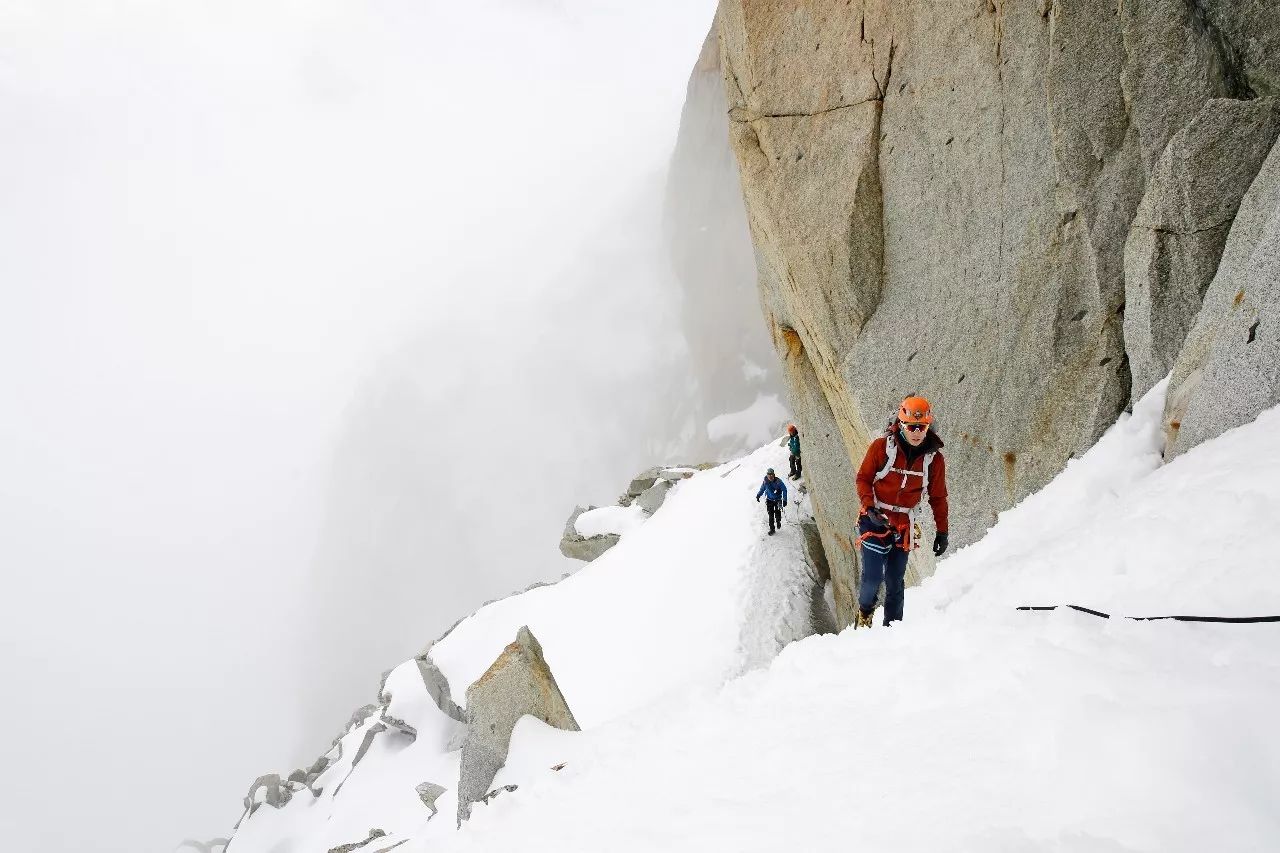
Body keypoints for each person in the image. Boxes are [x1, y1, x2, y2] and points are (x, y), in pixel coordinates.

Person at [853, 396, 949, 628]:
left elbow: (938, 498)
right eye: (911, 426)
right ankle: (865, 612)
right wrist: (869, 506)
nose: (917, 432)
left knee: (895, 581)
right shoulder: (881, 448)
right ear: (901, 424)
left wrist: (942, 531)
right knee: (873, 578)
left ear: (928, 426)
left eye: (921, 427)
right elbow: (863, 478)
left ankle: (892, 631)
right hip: (874, 521)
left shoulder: (933, 461)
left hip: (903, 525)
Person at [755, 467, 788, 535]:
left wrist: (784, 500)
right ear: (767, 475)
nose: (770, 476)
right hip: (769, 500)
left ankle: (778, 521)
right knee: (771, 515)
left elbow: (784, 490)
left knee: (777, 513)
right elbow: (762, 489)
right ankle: (772, 529)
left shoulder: (778, 482)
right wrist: (758, 495)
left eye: (771, 474)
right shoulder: (765, 482)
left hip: (778, 500)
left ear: (774, 474)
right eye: (768, 474)